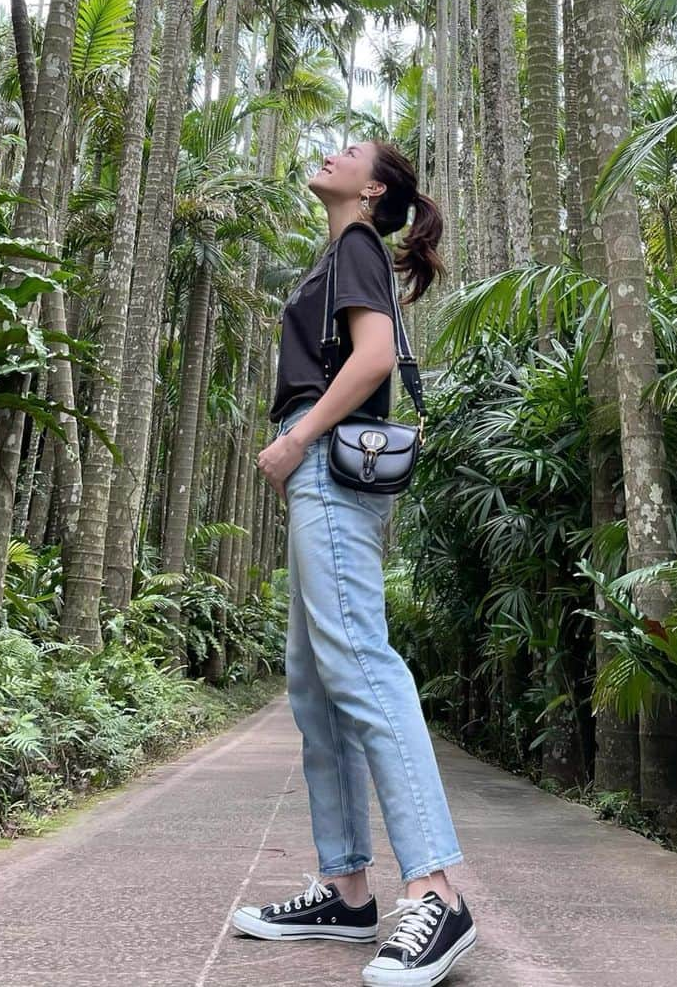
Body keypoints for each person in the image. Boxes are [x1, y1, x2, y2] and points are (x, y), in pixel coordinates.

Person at [232, 139, 477, 986]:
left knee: (362, 669)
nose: (325, 152)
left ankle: (436, 892)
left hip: (329, 462)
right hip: (321, 472)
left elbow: (375, 359)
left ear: (372, 190)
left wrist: (295, 440)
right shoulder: (339, 252)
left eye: (347, 151)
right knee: (314, 680)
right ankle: (344, 886)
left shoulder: (357, 246)